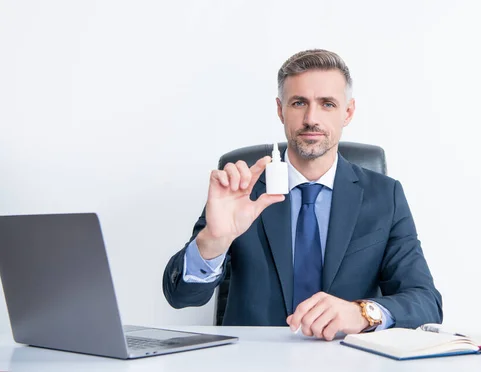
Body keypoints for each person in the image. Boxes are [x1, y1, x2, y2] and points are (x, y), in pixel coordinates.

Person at [163, 49, 442, 341]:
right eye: (299, 103)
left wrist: (361, 313)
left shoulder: (385, 195)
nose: (311, 118)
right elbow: (180, 296)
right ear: (280, 109)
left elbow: (426, 302)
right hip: (253, 361)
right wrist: (213, 242)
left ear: (347, 112)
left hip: (348, 362)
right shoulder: (244, 190)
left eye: (327, 104)